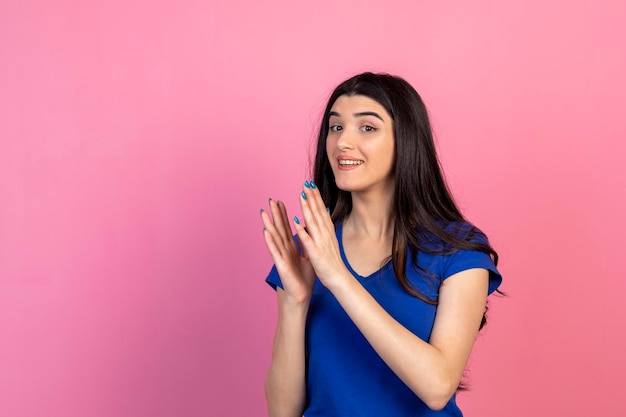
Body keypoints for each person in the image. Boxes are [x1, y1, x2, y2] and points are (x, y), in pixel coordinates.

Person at [259, 72, 502, 417]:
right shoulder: (308, 249)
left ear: (406, 141)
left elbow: (437, 387)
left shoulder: (459, 251)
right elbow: (283, 412)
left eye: (367, 127)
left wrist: (339, 277)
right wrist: (295, 302)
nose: (342, 142)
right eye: (335, 127)